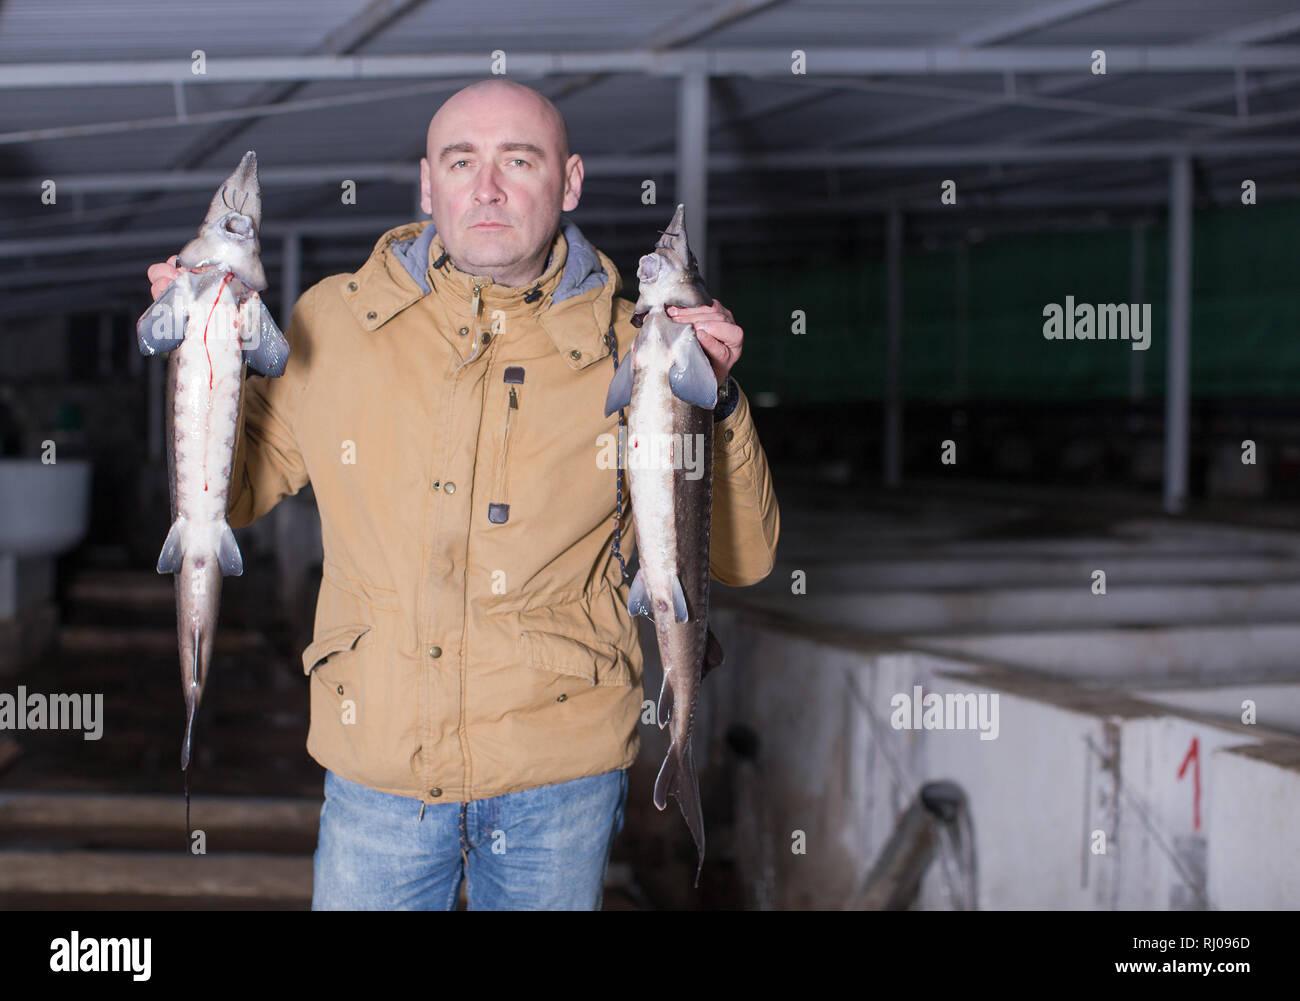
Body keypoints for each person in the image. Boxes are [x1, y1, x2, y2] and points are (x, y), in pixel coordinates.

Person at [146, 78, 780, 910]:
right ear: (425, 182)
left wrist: (720, 402)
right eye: (461, 161)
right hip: (378, 777)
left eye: (518, 160)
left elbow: (743, 556)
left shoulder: (639, 347)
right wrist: (201, 352)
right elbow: (226, 501)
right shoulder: (330, 323)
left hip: (559, 780)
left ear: (570, 181)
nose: (486, 187)